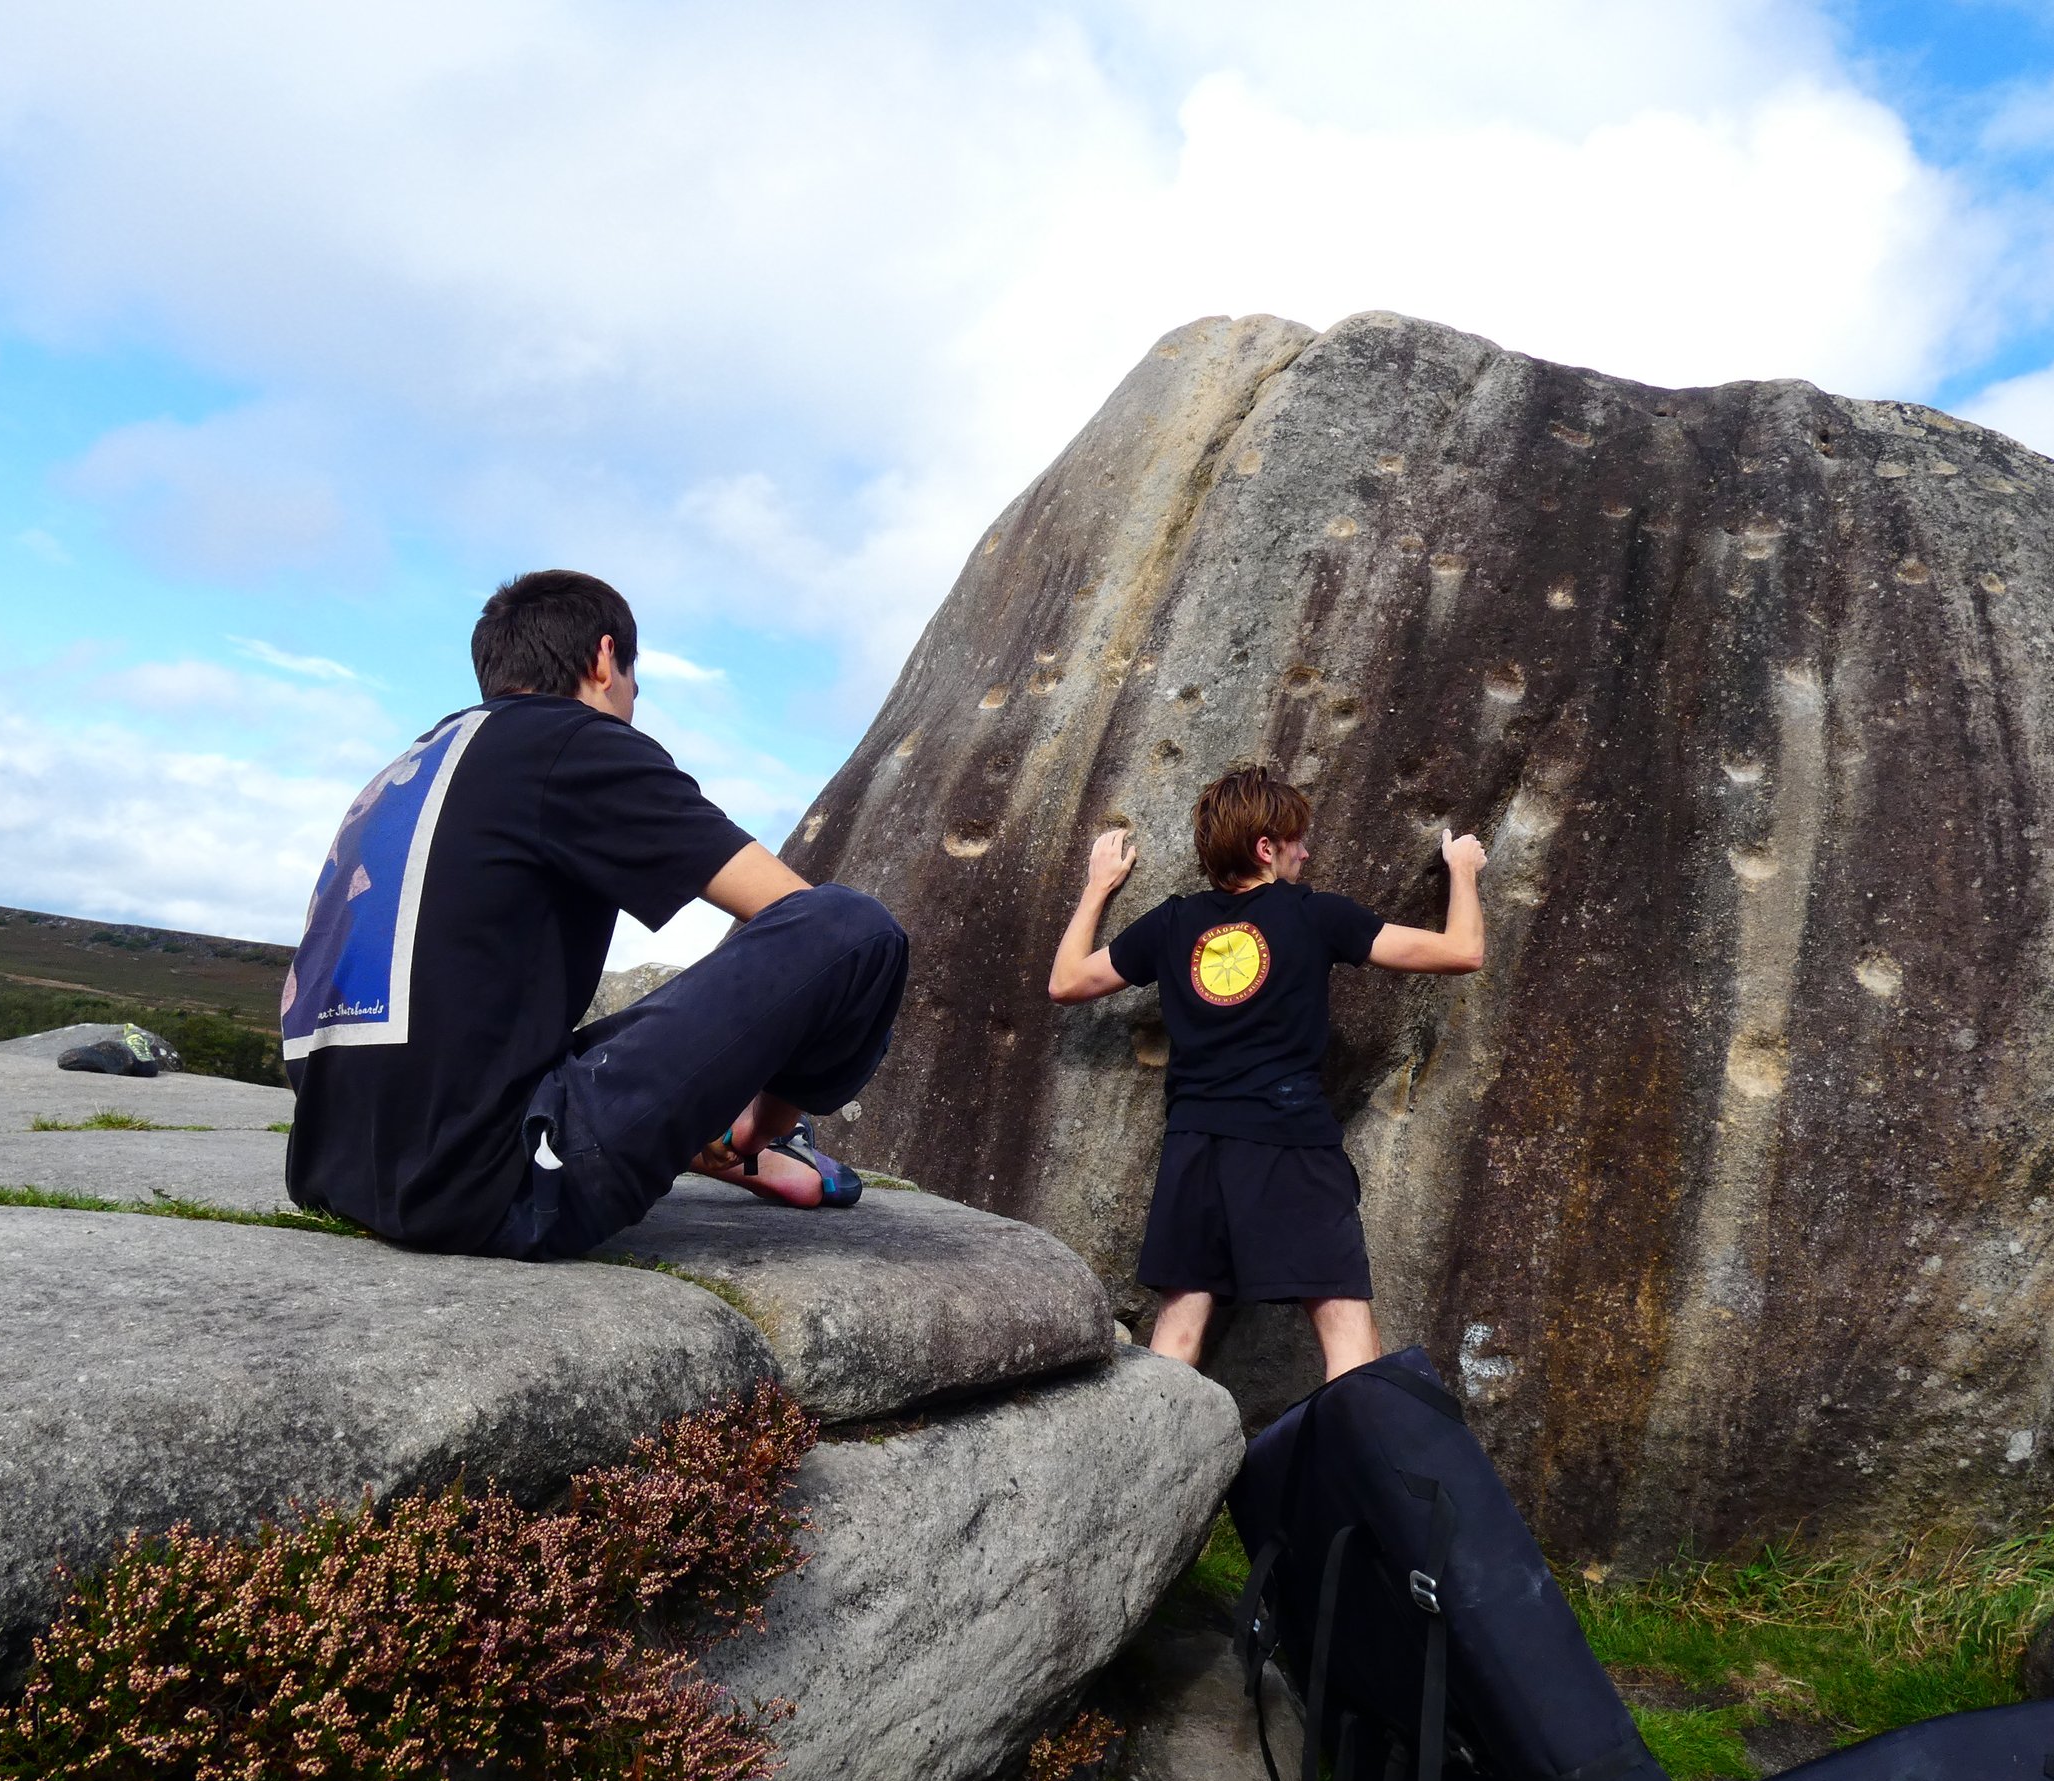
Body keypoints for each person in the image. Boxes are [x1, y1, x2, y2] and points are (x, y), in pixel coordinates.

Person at [281, 570, 907, 1260]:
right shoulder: (573, 741)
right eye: (636, 684)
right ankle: (756, 1140)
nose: (634, 702)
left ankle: (728, 1133)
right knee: (861, 929)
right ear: (604, 659)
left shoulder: (409, 766)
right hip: (487, 1186)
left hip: (334, 1162)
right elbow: (805, 920)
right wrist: (767, 1107)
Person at [1046, 767, 1486, 1382]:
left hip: (1195, 1142)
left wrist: (1098, 887)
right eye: (1297, 840)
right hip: (1290, 1138)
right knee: (1346, 1335)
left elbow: (1066, 982)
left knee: (1176, 1332)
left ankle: (1147, 1466)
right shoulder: (1315, 914)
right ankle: (1354, 1472)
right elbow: (1462, 951)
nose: (1306, 851)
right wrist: (1463, 870)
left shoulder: (1171, 923)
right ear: (1265, 848)